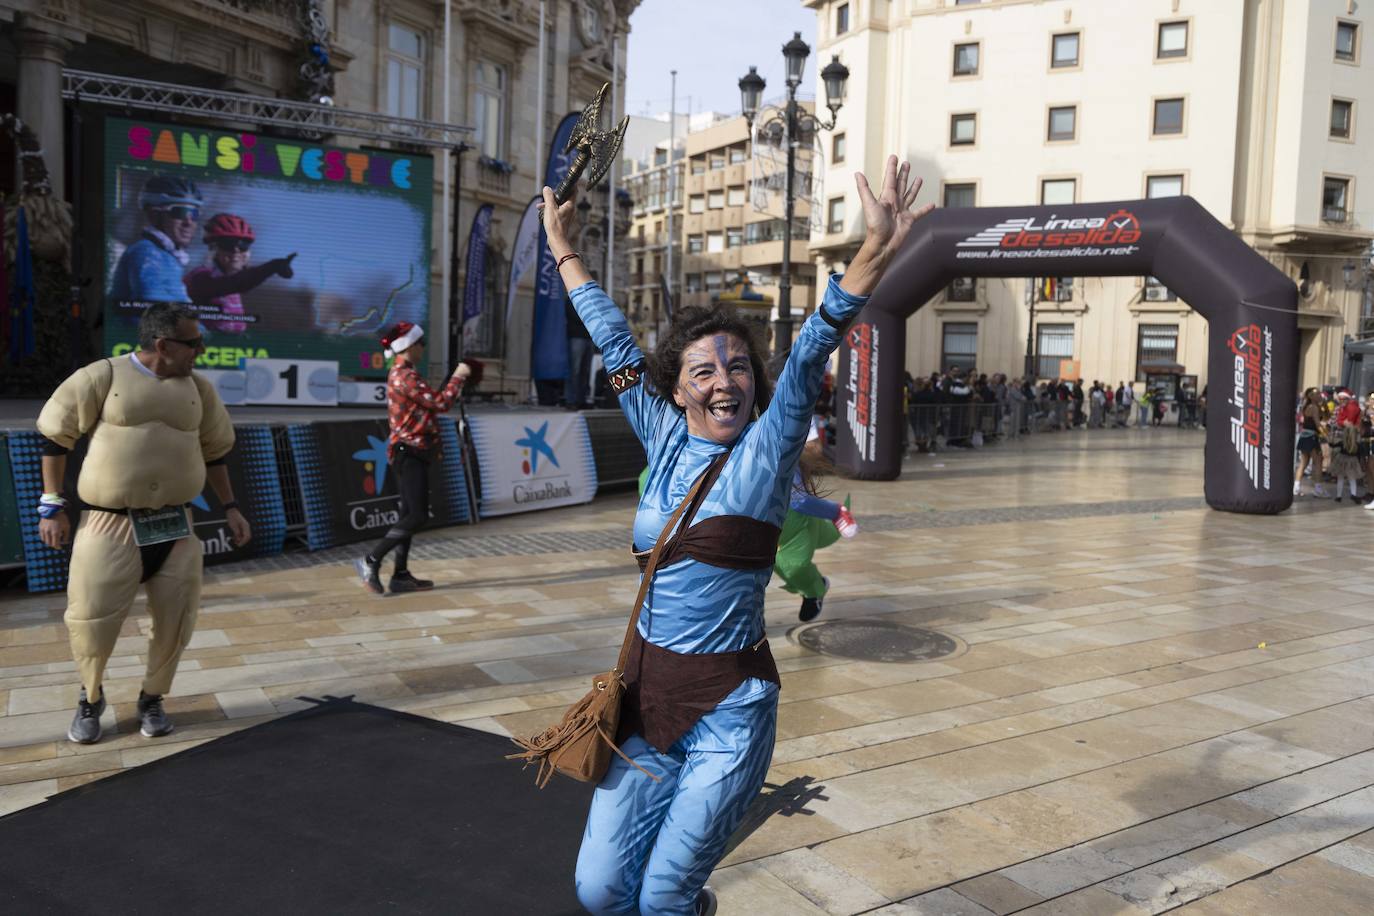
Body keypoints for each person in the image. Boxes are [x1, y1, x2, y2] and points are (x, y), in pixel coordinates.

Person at [546, 156, 931, 916]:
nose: (725, 380)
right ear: (678, 387)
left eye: (736, 366)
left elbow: (811, 353)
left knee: (662, 899)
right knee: (599, 892)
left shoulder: (764, 450)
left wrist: (873, 249)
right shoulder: (660, 436)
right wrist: (563, 247)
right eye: (703, 371)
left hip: (730, 709)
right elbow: (616, 344)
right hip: (647, 699)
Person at [36, 303, 250, 744]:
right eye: (193, 343)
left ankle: (153, 696)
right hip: (108, 524)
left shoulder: (200, 391)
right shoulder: (102, 376)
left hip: (176, 525)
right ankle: (91, 697)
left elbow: (216, 452)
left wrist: (230, 506)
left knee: (178, 617)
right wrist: (51, 505)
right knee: (91, 617)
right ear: (163, 345)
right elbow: (55, 436)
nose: (201, 350)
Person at [355, 322, 470, 594]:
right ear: (408, 346)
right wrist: (459, 377)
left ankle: (401, 575)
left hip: (412, 452)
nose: (423, 348)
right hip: (409, 453)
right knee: (416, 515)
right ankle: (371, 560)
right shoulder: (405, 377)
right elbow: (440, 403)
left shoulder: (406, 373)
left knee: (408, 514)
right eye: (421, 343)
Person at [183, 213, 297, 333]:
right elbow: (234, 284)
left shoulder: (234, 285)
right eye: (228, 244)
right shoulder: (200, 277)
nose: (236, 250)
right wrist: (271, 267)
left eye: (244, 245)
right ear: (213, 248)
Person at [109, 175, 204, 303]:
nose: (189, 222)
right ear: (154, 214)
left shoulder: (167, 257)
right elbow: (157, 310)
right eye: (180, 212)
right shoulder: (146, 252)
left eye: (194, 214)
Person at [1294, 387, 1326, 498]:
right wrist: (1326, 435)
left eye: (1319, 394)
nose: (1319, 396)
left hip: (1305, 436)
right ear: (1311, 396)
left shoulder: (1307, 406)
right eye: (1316, 394)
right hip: (1311, 436)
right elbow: (1317, 423)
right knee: (1318, 462)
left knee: (1304, 463)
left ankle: (1296, 487)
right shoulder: (1314, 407)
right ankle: (1318, 489)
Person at [564, 293, 595, 408]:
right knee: (574, 370)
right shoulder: (572, 298)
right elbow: (573, 315)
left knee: (585, 371)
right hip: (576, 337)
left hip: (589, 337)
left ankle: (581, 399)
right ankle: (571, 400)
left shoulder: (591, 299)